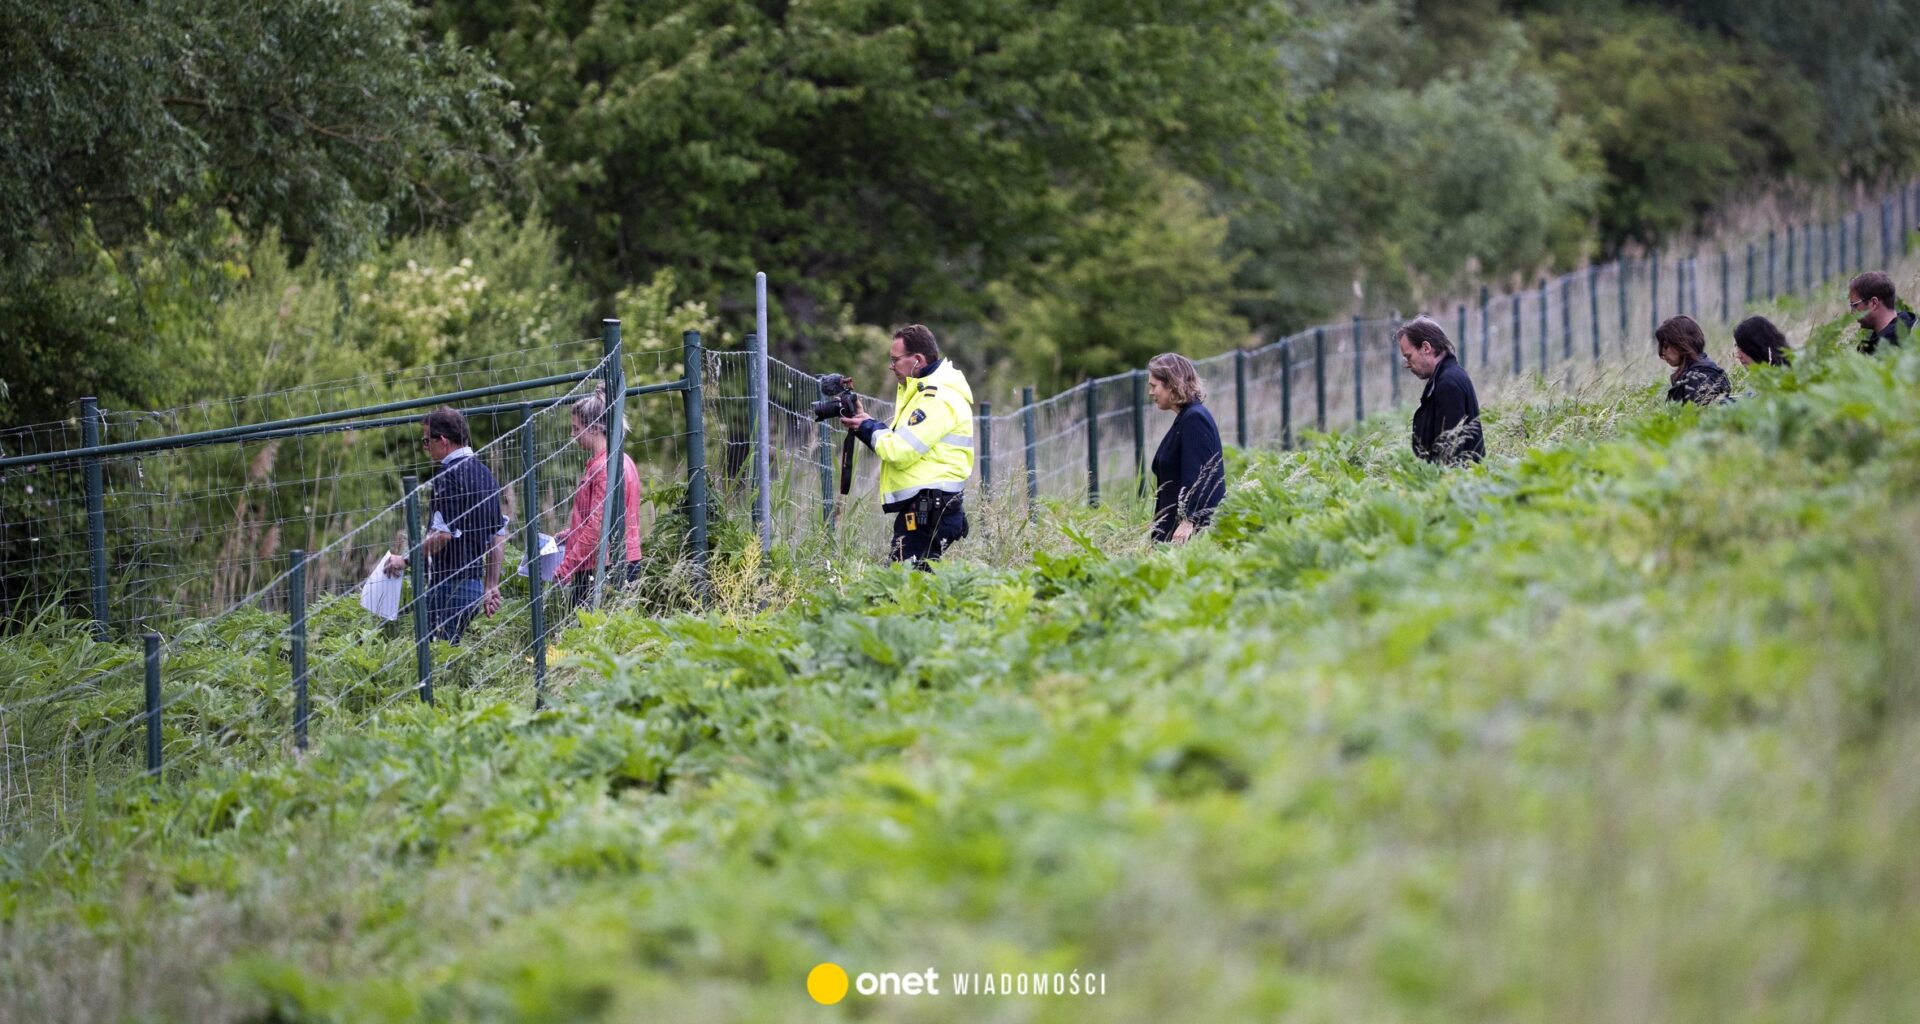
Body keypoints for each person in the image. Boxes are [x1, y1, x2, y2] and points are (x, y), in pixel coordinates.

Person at [839, 324, 975, 566]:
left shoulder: (937, 398)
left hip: (931, 512)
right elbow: (902, 442)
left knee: (901, 589)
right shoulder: (923, 391)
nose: (891, 367)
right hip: (929, 508)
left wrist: (867, 428)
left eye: (895, 360)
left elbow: (900, 451)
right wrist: (866, 422)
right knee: (913, 588)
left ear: (917, 360)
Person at [384, 407, 507, 643]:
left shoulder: (447, 476)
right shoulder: (485, 473)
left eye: (426, 440)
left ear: (443, 440)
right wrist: (491, 585)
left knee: (438, 664)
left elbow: (442, 536)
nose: (425, 446)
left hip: (448, 588)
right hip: (473, 588)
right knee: (458, 665)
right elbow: (497, 536)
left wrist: (405, 560)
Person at [554, 383, 643, 607]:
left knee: (586, 634)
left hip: (603, 564)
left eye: (576, 428)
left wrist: (567, 567)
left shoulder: (603, 467)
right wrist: (571, 534)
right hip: (623, 557)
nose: (572, 435)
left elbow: (597, 526)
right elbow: (604, 516)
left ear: (594, 428)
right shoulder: (622, 459)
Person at [1146, 353, 1225, 544]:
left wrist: (1189, 520)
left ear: (1172, 385)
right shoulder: (1186, 418)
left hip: (1187, 534)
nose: (1150, 393)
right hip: (1176, 530)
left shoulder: (1194, 419)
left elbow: (1200, 476)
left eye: (1153, 386)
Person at [1397, 316, 1485, 465]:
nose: (1407, 364)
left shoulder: (1447, 384)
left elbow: (1449, 454)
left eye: (1408, 356)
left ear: (1426, 348)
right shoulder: (1447, 377)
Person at [1655, 315, 1732, 406]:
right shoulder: (1706, 371)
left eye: (1666, 346)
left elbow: (1692, 417)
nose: (1662, 352)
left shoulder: (1697, 378)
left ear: (1681, 344)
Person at [1848, 271, 1913, 354]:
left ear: (1874, 303)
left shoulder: (1888, 350)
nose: (1852, 312)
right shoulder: (1911, 329)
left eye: (1854, 305)